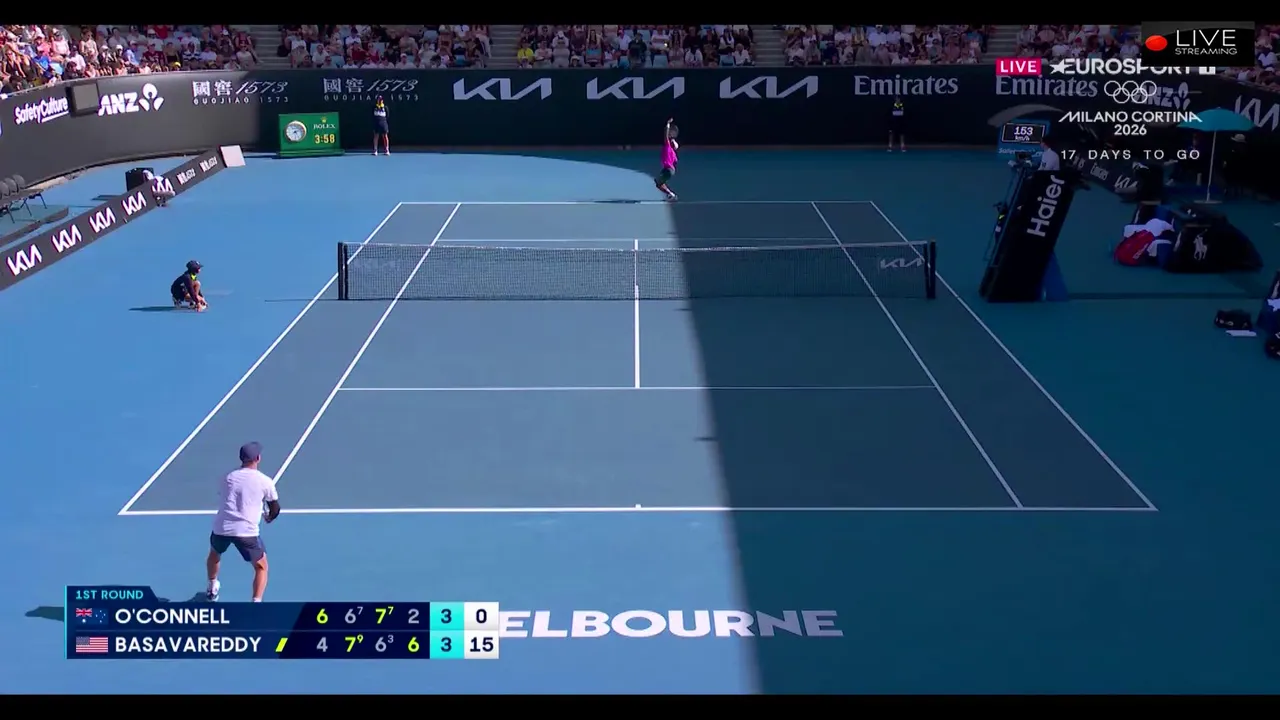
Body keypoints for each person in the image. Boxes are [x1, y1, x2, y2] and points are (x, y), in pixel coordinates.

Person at [207, 442, 280, 602]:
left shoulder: (227, 477)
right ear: (258, 458)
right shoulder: (265, 481)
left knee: (214, 553)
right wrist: (269, 517)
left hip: (221, 528)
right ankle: (256, 602)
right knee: (261, 567)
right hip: (247, 532)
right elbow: (275, 509)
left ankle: (212, 588)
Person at [654, 118, 679, 201]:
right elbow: (675, 161)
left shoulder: (668, 146)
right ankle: (670, 194)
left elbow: (665, 134)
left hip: (668, 170)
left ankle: (671, 194)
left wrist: (668, 124)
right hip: (670, 170)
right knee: (658, 182)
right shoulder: (673, 153)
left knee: (658, 183)